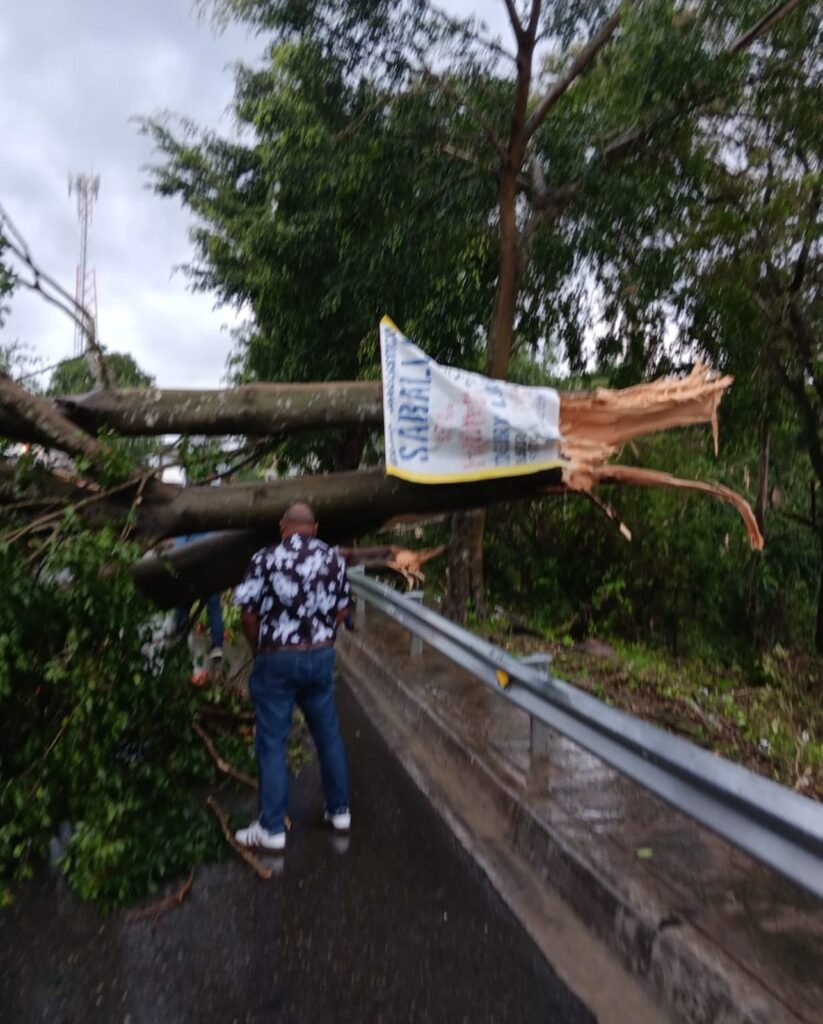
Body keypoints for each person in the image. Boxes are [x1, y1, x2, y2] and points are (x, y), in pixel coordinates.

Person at [232, 502, 352, 851]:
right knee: (328, 734)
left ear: (283, 525)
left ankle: (271, 828)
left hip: (278, 658)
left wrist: (260, 651)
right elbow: (343, 609)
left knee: (272, 740)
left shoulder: (265, 559)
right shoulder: (334, 559)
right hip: (321, 655)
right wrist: (324, 639)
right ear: (314, 527)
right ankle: (339, 811)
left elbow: (248, 615)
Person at [173, 534, 224, 662]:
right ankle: (217, 646)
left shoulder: (184, 529)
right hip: (210, 567)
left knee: (183, 604)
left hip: (192, 569)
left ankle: (181, 639)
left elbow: (179, 551)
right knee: (214, 605)